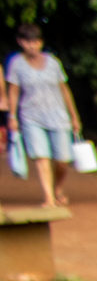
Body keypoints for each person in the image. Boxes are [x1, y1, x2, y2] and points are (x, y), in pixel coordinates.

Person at [5, 21, 80, 211]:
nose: (33, 46)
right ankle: (48, 197)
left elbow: (64, 90)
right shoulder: (16, 64)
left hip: (58, 115)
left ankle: (58, 188)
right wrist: (12, 116)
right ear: (21, 42)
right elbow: (13, 91)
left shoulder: (53, 63)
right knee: (41, 156)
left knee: (62, 159)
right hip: (31, 116)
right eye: (28, 42)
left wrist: (74, 116)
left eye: (36, 42)